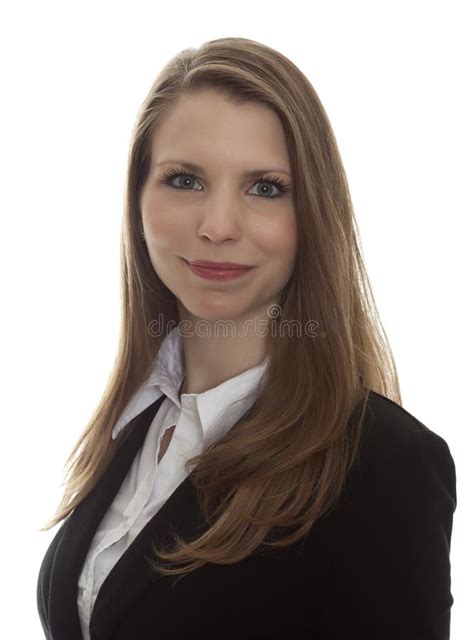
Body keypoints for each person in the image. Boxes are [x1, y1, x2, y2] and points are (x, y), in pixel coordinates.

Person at [36, 37, 457, 640]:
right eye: (184, 180)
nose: (217, 227)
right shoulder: (136, 423)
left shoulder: (387, 466)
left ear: (313, 211)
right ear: (138, 200)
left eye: (265, 187)